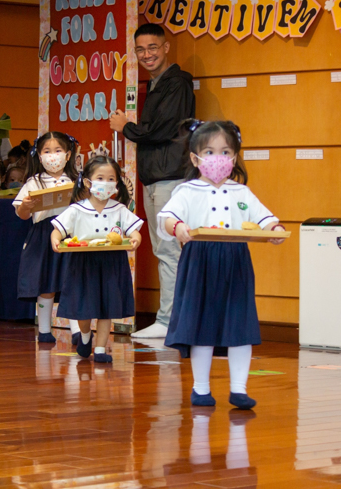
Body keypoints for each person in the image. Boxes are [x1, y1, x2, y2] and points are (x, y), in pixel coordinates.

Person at [157, 119, 286, 409]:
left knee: (239, 322)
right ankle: (200, 388)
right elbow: (166, 218)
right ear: (195, 158)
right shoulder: (187, 191)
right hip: (199, 260)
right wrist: (176, 227)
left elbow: (265, 218)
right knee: (201, 324)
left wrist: (275, 230)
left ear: (235, 157)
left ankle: (239, 389)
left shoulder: (241, 192)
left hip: (235, 260)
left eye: (226, 152)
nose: (219, 159)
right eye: (211, 152)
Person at [109, 23, 195, 339]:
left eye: (153, 48)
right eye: (141, 49)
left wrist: (125, 127)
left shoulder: (176, 84)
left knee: (169, 250)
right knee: (166, 250)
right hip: (158, 178)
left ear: (166, 47)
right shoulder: (159, 84)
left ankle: (169, 320)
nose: (147, 55)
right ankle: (171, 319)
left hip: (170, 178)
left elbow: (163, 130)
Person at [51, 156, 143, 363]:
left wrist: (135, 239)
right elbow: (58, 230)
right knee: (83, 309)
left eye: (111, 179)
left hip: (112, 263)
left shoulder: (119, 209)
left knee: (106, 307)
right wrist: (55, 241)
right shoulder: (77, 209)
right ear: (87, 182)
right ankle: (85, 335)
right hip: (83, 264)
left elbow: (135, 231)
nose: (106, 182)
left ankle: (101, 349)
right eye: (100, 177)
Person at [13, 132, 81, 344]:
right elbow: (21, 214)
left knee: (71, 281)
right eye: (47, 151)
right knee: (46, 283)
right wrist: (26, 206)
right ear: (39, 157)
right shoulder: (34, 182)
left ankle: (77, 330)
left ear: (68, 155)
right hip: (43, 234)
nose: (53, 156)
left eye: (58, 151)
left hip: (70, 235)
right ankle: (44, 330)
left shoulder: (76, 180)